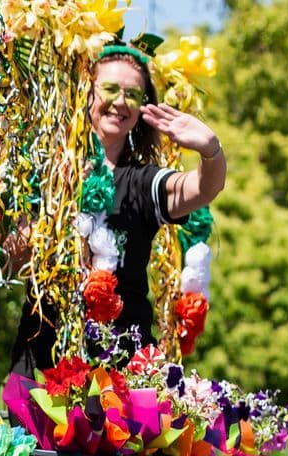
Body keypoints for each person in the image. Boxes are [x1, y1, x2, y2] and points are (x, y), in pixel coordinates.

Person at [13, 37, 228, 370]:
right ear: (87, 92)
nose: (121, 102)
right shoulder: (49, 172)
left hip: (121, 368)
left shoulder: (142, 182)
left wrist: (210, 150)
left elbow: (202, 188)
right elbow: (15, 262)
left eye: (133, 94)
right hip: (42, 364)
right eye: (111, 89)